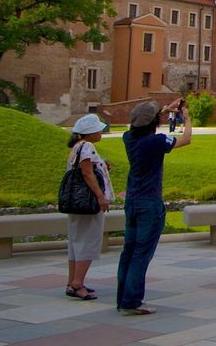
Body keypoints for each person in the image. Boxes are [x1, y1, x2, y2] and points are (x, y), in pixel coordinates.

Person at [117, 98, 190, 315]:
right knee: (142, 252)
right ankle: (132, 302)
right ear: (153, 123)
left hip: (132, 201)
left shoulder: (128, 138)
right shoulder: (155, 142)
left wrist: (166, 109)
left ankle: (124, 298)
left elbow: (145, 122)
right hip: (149, 203)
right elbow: (186, 139)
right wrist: (186, 118)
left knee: (128, 251)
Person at [65, 114, 111, 301]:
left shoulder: (76, 147)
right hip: (88, 203)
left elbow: (87, 170)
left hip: (75, 203)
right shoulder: (88, 147)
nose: (101, 132)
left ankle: (72, 282)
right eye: (98, 130)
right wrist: (101, 196)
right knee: (88, 242)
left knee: (76, 243)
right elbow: (86, 173)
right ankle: (77, 283)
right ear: (90, 133)